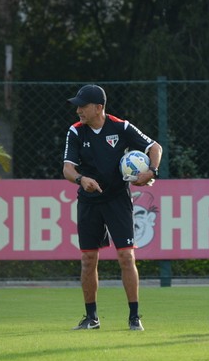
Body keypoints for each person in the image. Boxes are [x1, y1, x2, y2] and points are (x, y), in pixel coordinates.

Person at [63, 84, 163, 331]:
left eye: (83, 106)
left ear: (99, 107)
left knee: (126, 256)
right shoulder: (75, 132)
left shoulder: (121, 127)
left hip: (118, 199)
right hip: (89, 201)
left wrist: (151, 171)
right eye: (77, 106)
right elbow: (67, 168)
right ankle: (91, 318)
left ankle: (134, 317)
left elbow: (155, 148)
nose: (78, 111)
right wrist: (81, 179)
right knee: (88, 259)